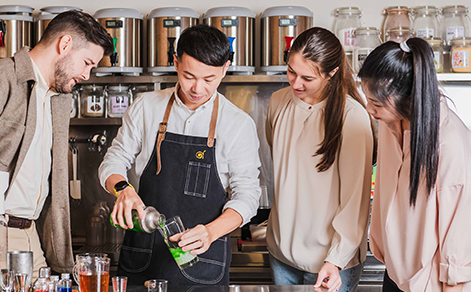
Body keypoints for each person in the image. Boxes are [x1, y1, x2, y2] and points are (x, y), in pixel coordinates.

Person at [0, 11, 113, 276]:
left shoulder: (57, 99)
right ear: (65, 44)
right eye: (86, 63)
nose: (87, 74)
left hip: (32, 238)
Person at [98, 24, 261, 286]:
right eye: (189, 76)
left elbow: (248, 195)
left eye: (209, 79)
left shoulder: (238, 124)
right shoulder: (146, 107)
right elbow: (114, 160)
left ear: (225, 68)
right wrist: (122, 189)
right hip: (143, 258)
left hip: (203, 262)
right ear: (176, 62)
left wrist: (210, 232)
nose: (197, 88)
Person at [265, 27, 374, 292]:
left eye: (307, 78)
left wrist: (335, 260)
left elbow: (354, 203)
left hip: (332, 262)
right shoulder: (278, 102)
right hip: (282, 255)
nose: (296, 83)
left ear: (332, 72)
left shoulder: (352, 117)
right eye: (291, 71)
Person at [360, 38, 471, 292]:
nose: (369, 109)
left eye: (375, 103)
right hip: (395, 274)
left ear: (407, 99)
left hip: (429, 284)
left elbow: (459, 242)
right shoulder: (391, 122)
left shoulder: (449, 143)